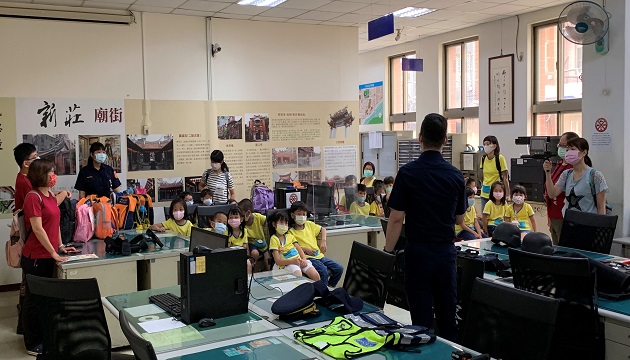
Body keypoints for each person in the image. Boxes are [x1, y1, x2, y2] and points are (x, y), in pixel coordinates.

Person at [383, 113, 466, 342]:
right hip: (444, 253)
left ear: (420, 138)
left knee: (420, 320)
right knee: (448, 316)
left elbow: (396, 218)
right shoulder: (456, 176)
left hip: (417, 253)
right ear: (445, 140)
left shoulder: (408, 173)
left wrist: (388, 250)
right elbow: (460, 219)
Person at [20, 159, 78, 356]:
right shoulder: (33, 197)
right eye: (50, 172)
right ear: (39, 175)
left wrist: (60, 246)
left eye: (54, 172)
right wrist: (53, 253)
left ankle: (44, 337)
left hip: (49, 254)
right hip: (36, 257)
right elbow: (37, 228)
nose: (54, 175)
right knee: (34, 300)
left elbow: (55, 223)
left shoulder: (50, 196)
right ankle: (31, 343)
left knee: (45, 300)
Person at [544, 137, 608, 215]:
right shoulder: (566, 174)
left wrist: (600, 226)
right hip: (569, 223)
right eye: (567, 150)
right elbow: (552, 194)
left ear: (584, 152)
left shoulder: (595, 176)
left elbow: (601, 207)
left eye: (573, 149)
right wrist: (547, 173)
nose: (569, 152)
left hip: (588, 224)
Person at [289, 201, 343, 287]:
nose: (302, 216)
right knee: (323, 270)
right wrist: (305, 249)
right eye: (299, 214)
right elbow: (291, 248)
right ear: (292, 215)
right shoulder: (290, 232)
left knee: (339, 268)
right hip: (308, 258)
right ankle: (323, 294)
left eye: (304, 214)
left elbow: (323, 229)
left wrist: (323, 242)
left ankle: (329, 288)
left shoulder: (309, 225)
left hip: (319, 255)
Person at [544, 131, 579, 244]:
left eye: (565, 146)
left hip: (565, 214)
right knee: (556, 246)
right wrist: (547, 173)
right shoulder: (560, 164)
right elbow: (551, 190)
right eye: (560, 145)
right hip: (553, 213)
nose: (561, 148)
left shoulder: (573, 168)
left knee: (564, 246)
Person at [14, 143, 69, 210]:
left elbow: (41, 193)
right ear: (26, 164)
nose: (38, 159)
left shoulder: (27, 177)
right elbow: (46, 204)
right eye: (34, 157)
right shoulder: (24, 182)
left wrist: (58, 192)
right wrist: (64, 193)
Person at [267, 211, 320, 280]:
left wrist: (304, 259)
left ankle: (318, 290)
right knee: (298, 276)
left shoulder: (290, 236)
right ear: (274, 224)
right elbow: (277, 261)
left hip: (299, 260)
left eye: (286, 223)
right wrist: (292, 261)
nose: (284, 225)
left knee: (315, 275)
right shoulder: (274, 239)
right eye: (281, 222)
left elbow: (299, 249)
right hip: (288, 264)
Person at [238, 198, 271, 271]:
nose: (241, 217)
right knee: (255, 253)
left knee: (267, 256)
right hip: (251, 242)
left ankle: (269, 272)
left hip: (261, 242)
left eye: (242, 215)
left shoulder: (258, 217)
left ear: (248, 213)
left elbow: (268, 220)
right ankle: (253, 268)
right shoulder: (241, 222)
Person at [479, 136, 509, 209]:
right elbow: (482, 175)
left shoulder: (500, 158)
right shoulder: (483, 158)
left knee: (496, 216)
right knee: (485, 215)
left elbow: (505, 177)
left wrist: (507, 194)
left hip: (496, 193)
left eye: (488, 144)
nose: (486, 146)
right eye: (484, 144)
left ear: (494, 146)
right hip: (484, 193)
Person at [226, 208, 252, 274]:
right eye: (231, 218)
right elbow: (227, 247)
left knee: (248, 264)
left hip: (241, 254)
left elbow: (245, 246)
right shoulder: (226, 232)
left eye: (236, 217)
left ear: (241, 219)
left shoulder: (244, 231)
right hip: (230, 255)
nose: (233, 220)